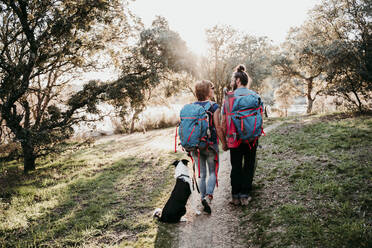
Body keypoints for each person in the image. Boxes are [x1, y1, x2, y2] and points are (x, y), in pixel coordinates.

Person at [222, 65, 257, 206]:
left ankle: (235, 196)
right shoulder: (255, 96)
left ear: (237, 81)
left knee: (236, 166)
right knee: (249, 165)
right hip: (251, 138)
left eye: (232, 80)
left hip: (234, 138)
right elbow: (259, 118)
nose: (231, 82)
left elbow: (224, 122)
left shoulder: (229, 99)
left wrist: (224, 140)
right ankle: (245, 196)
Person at [191, 80, 227, 214]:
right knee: (212, 172)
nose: (213, 90)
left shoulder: (191, 106)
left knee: (202, 174)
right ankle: (208, 196)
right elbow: (218, 127)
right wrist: (224, 142)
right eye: (211, 88)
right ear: (207, 91)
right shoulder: (214, 107)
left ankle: (202, 198)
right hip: (210, 145)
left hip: (196, 146)